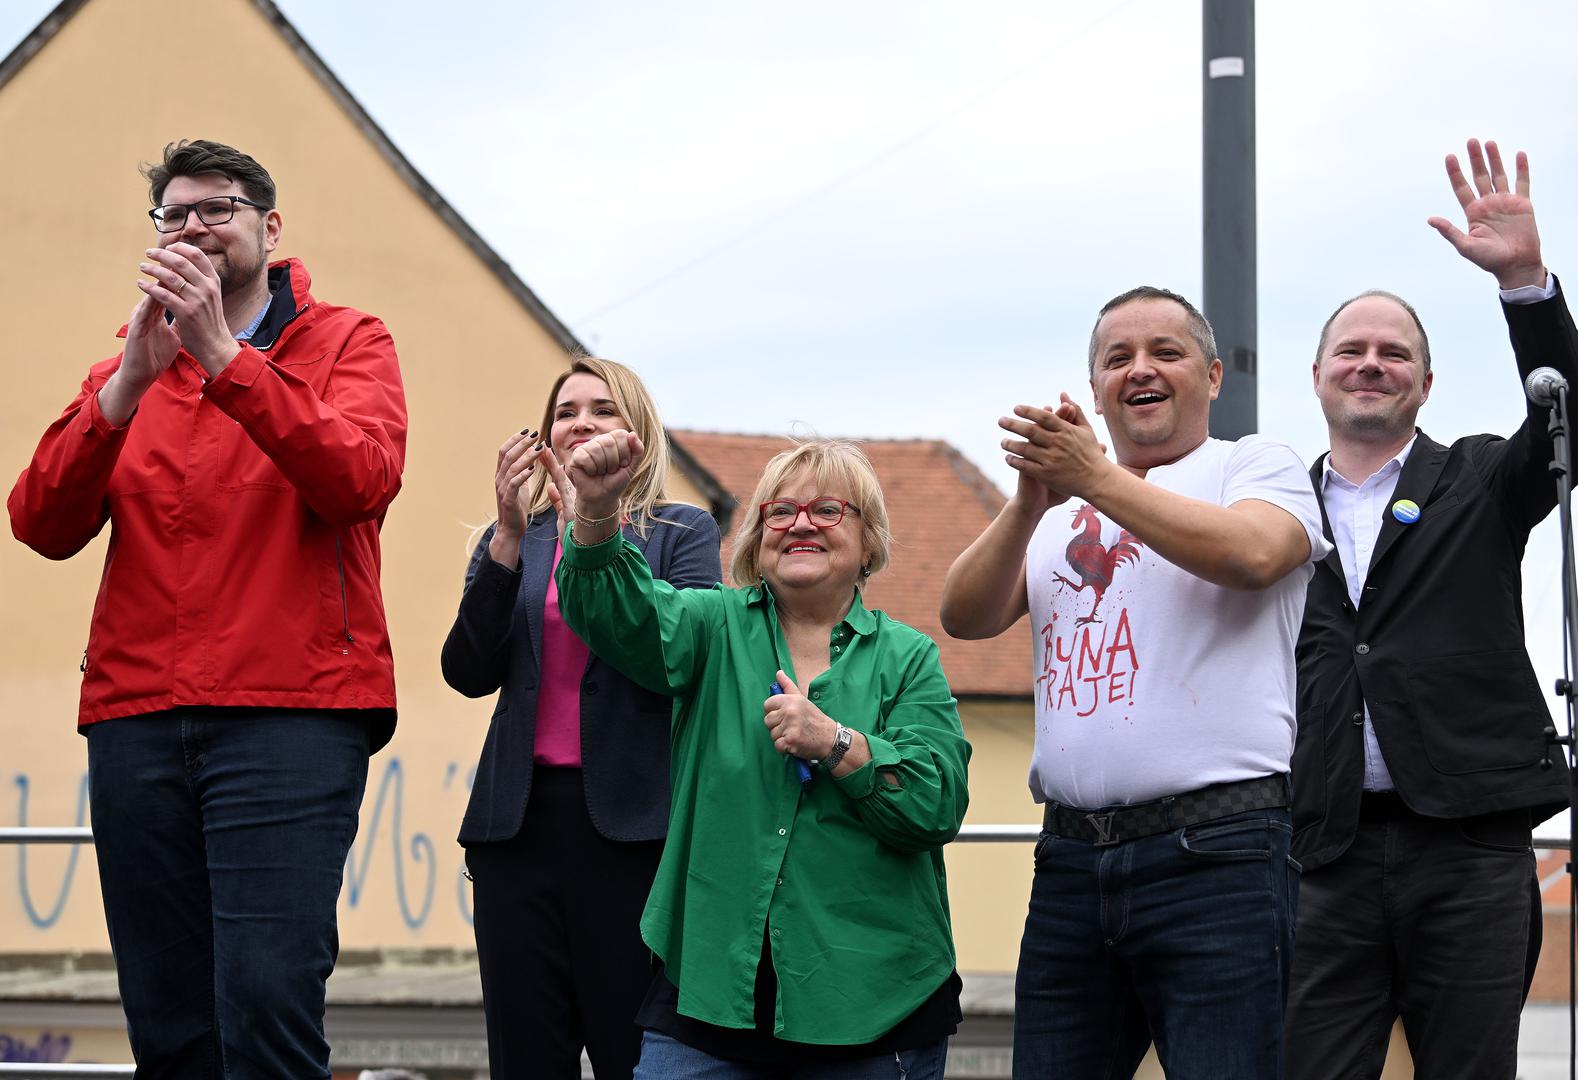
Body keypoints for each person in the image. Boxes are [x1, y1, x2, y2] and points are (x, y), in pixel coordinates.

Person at [7, 139, 406, 1078]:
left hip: (291, 713)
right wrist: (126, 386)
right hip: (138, 716)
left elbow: (360, 479)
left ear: (269, 230)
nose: (193, 226)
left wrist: (224, 357)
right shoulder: (128, 363)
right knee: (166, 1018)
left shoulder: (351, 340)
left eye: (217, 208)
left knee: (267, 1004)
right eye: (174, 214)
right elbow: (39, 522)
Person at [939, 287, 1330, 1078]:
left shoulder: (1252, 465)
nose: (1140, 370)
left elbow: (1254, 556)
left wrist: (1095, 477)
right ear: (1095, 391)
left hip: (1219, 856)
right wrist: (1029, 502)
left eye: (1166, 352)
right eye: (1118, 359)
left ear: (1214, 377)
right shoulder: (1057, 509)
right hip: (1074, 861)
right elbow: (964, 614)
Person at [1286, 139, 1575, 1079]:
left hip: (1471, 850)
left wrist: (1526, 282)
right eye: (1352, 351)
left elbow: (1570, 417)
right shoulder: (1272, 508)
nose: (1371, 365)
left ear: (1426, 380)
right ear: (1320, 374)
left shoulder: (1483, 477)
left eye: (1394, 353)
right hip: (1320, 854)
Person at [551, 434, 970, 1080]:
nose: (801, 523)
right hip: (708, 999)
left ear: (868, 541)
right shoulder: (710, 626)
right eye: (780, 511)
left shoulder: (908, 658)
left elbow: (936, 802)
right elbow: (616, 611)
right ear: (755, 538)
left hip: (875, 1007)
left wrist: (837, 745)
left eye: (828, 510)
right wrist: (599, 513)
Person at [440, 356, 722, 1078]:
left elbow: (681, 660)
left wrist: (598, 523)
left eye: (601, 409)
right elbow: (468, 672)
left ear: (637, 432)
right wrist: (503, 537)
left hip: (632, 831)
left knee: (634, 1054)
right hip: (517, 831)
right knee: (527, 1059)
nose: (580, 423)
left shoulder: (679, 533)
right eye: (565, 412)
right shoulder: (518, 537)